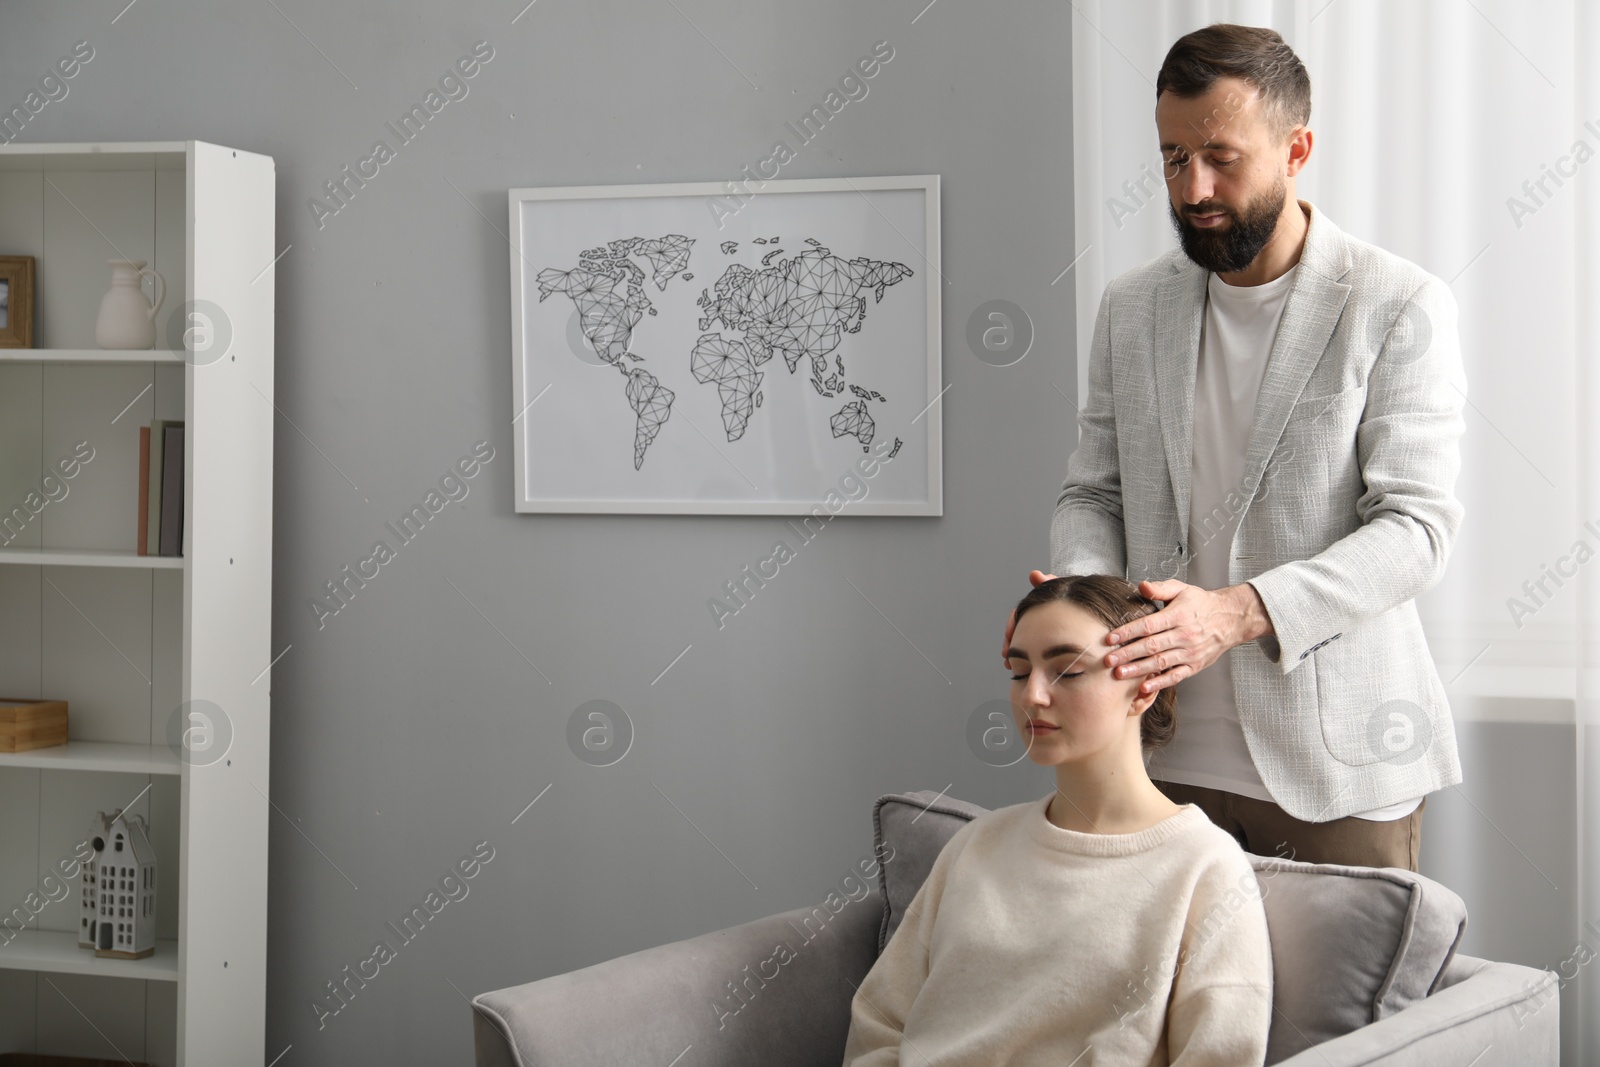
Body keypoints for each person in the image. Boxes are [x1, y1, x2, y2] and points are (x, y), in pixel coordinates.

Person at [1007, 24, 1466, 870]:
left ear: (1297, 149)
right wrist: (1088, 598)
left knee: (1342, 1010)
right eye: (1173, 157)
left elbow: (1415, 530)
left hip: (1336, 772)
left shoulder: (1398, 302)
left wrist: (1229, 615)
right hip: (1156, 760)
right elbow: (1094, 494)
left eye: (1221, 155)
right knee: (1173, 1005)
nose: (1194, 187)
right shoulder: (1131, 306)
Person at [844, 574, 1272, 1066]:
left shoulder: (1204, 868)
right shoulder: (977, 845)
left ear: (1144, 688)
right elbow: (879, 1023)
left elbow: (1220, 1056)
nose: (1032, 697)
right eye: (1019, 672)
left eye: (1067, 671)